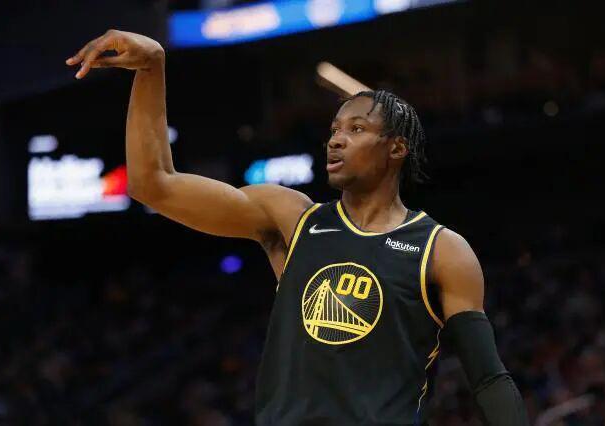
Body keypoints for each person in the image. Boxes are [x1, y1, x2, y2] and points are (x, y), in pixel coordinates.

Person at [66, 30, 529, 425]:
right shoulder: (291, 217)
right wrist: (152, 69)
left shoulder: (442, 250)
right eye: (334, 129)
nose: (336, 139)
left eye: (356, 129)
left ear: (396, 148)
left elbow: (488, 380)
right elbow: (154, 185)